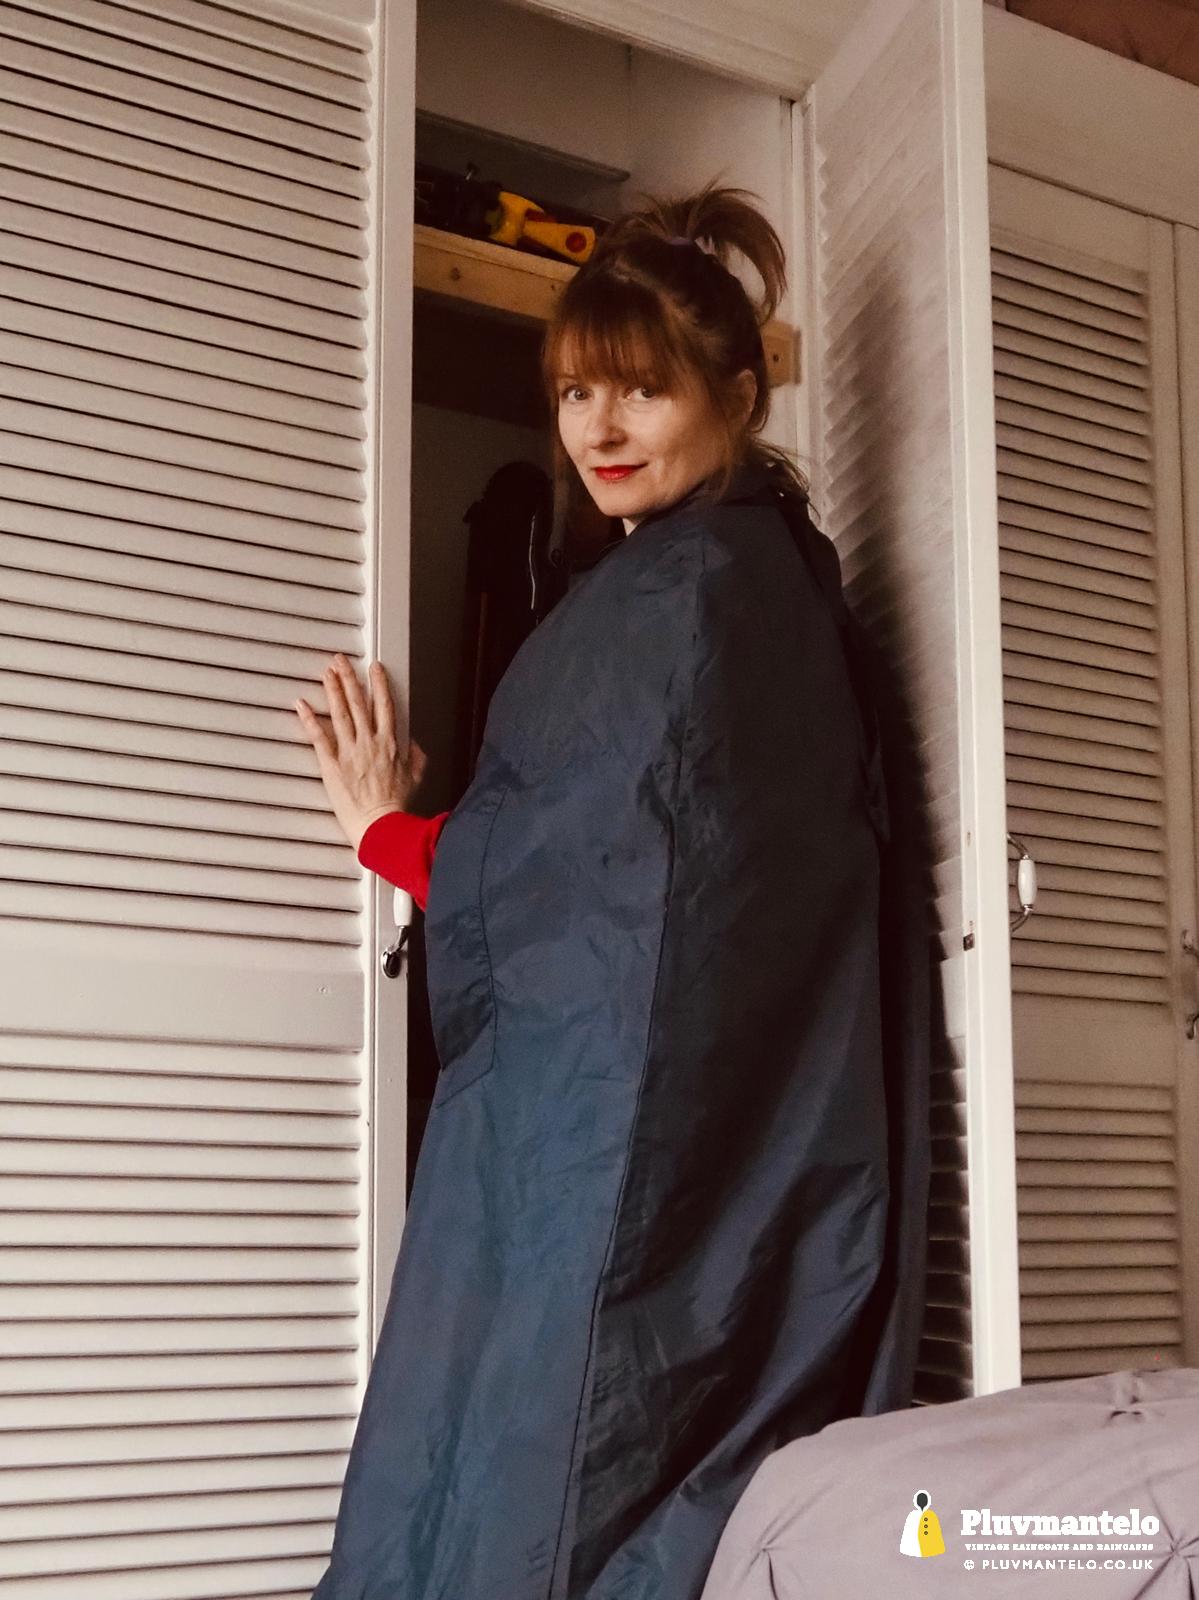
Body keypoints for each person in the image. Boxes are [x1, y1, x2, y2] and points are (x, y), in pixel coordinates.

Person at [295, 182, 930, 1600]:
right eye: (578, 390)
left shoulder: (701, 595)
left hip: (617, 1147)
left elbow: (606, 886)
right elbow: (601, 850)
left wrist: (389, 834)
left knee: (540, 1468)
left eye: (644, 389)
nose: (599, 428)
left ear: (738, 396)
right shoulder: (716, 581)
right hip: (625, 1131)